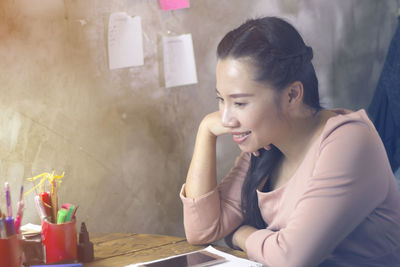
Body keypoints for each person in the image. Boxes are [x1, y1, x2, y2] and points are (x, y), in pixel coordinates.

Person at [179, 16, 400, 266]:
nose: (226, 118)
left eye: (239, 103)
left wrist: (239, 233)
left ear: (292, 95)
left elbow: (289, 258)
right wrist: (205, 131)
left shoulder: (349, 141)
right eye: (221, 100)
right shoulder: (266, 144)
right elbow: (202, 231)